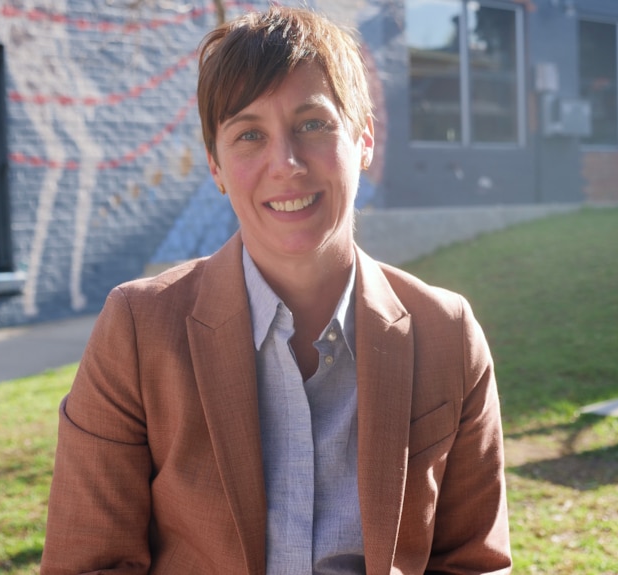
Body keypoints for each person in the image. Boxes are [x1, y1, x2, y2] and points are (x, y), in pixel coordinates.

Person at [40, 6, 511, 574]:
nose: (284, 164)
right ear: (214, 165)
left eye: (313, 124)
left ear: (364, 140)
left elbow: (474, 563)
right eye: (249, 135)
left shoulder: (447, 334)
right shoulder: (139, 330)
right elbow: (87, 561)